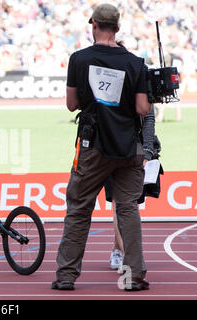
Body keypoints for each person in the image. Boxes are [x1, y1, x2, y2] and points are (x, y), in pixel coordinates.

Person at [51, 3, 152, 291]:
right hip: (130, 147)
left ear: (93, 24)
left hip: (93, 145)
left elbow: (71, 104)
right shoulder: (136, 63)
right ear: (118, 28)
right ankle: (134, 276)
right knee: (128, 208)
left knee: (79, 209)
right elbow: (143, 109)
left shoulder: (79, 59)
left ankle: (67, 276)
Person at [106, 107, 156, 270]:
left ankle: (119, 250)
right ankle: (127, 255)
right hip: (107, 147)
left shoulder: (140, 82)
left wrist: (148, 150)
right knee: (117, 200)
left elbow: (148, 116)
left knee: (127, 202)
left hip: (134, 147)